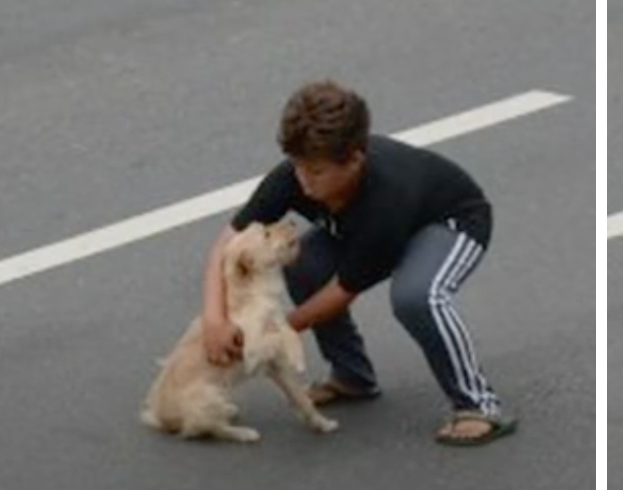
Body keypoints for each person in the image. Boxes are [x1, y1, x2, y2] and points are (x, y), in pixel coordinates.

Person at [200, 80, 516, 446]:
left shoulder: (384, 200)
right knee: (302, 262)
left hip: (447, 224)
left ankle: (479, 405)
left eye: (316, 172)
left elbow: (342, 291)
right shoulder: (293, 175)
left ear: (354, 160)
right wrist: (214, 319)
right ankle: (352, 378)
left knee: (417, 296)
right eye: (298, 166)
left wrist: (273, 334)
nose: (303, 181)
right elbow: (227, 245)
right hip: (365, 232)